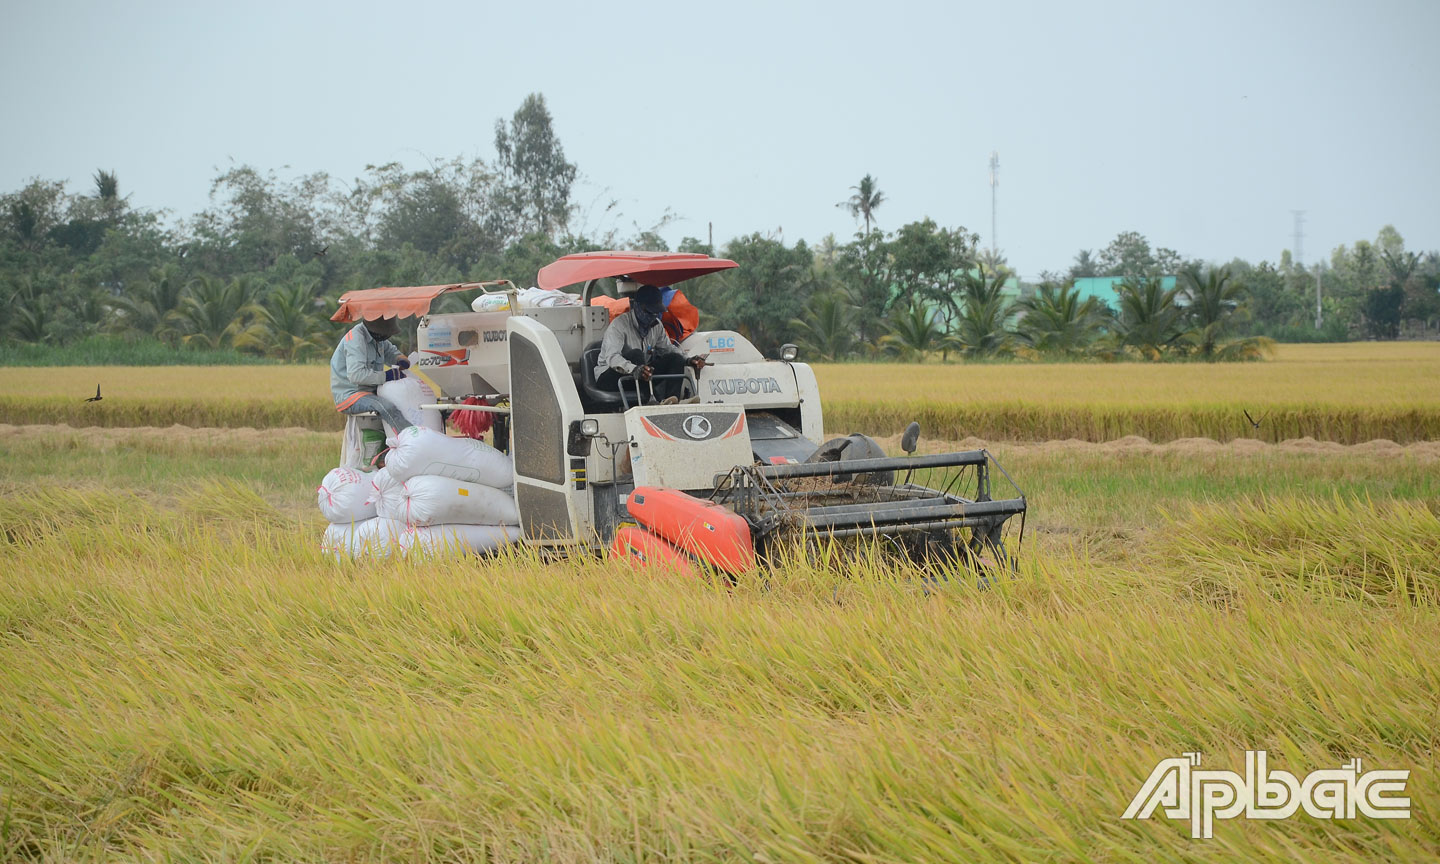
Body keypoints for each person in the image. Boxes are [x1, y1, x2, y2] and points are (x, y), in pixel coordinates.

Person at [594, 283, 706, 403]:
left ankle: (673, 401)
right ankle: (653, 401)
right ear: (637, 307)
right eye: (649, 312)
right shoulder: (619, 325)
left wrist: (688, 360)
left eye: (656, 312)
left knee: (675, 358)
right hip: (611, 377)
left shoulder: (656, 325)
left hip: (640, 376)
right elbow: (612, 358)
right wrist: (634, 369)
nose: (652, 316)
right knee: (636, 355)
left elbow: (667, 348)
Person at [330, 315, 413, 433]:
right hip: (351, 394)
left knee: (402, 403)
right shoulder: (356, 340)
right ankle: (411, 436)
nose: (387, 337)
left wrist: (400, 359)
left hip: (370, 392)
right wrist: (386, 376)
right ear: (377, 331)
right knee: (387, 407)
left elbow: (390, 352)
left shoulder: (378, 339)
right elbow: (356, 375)